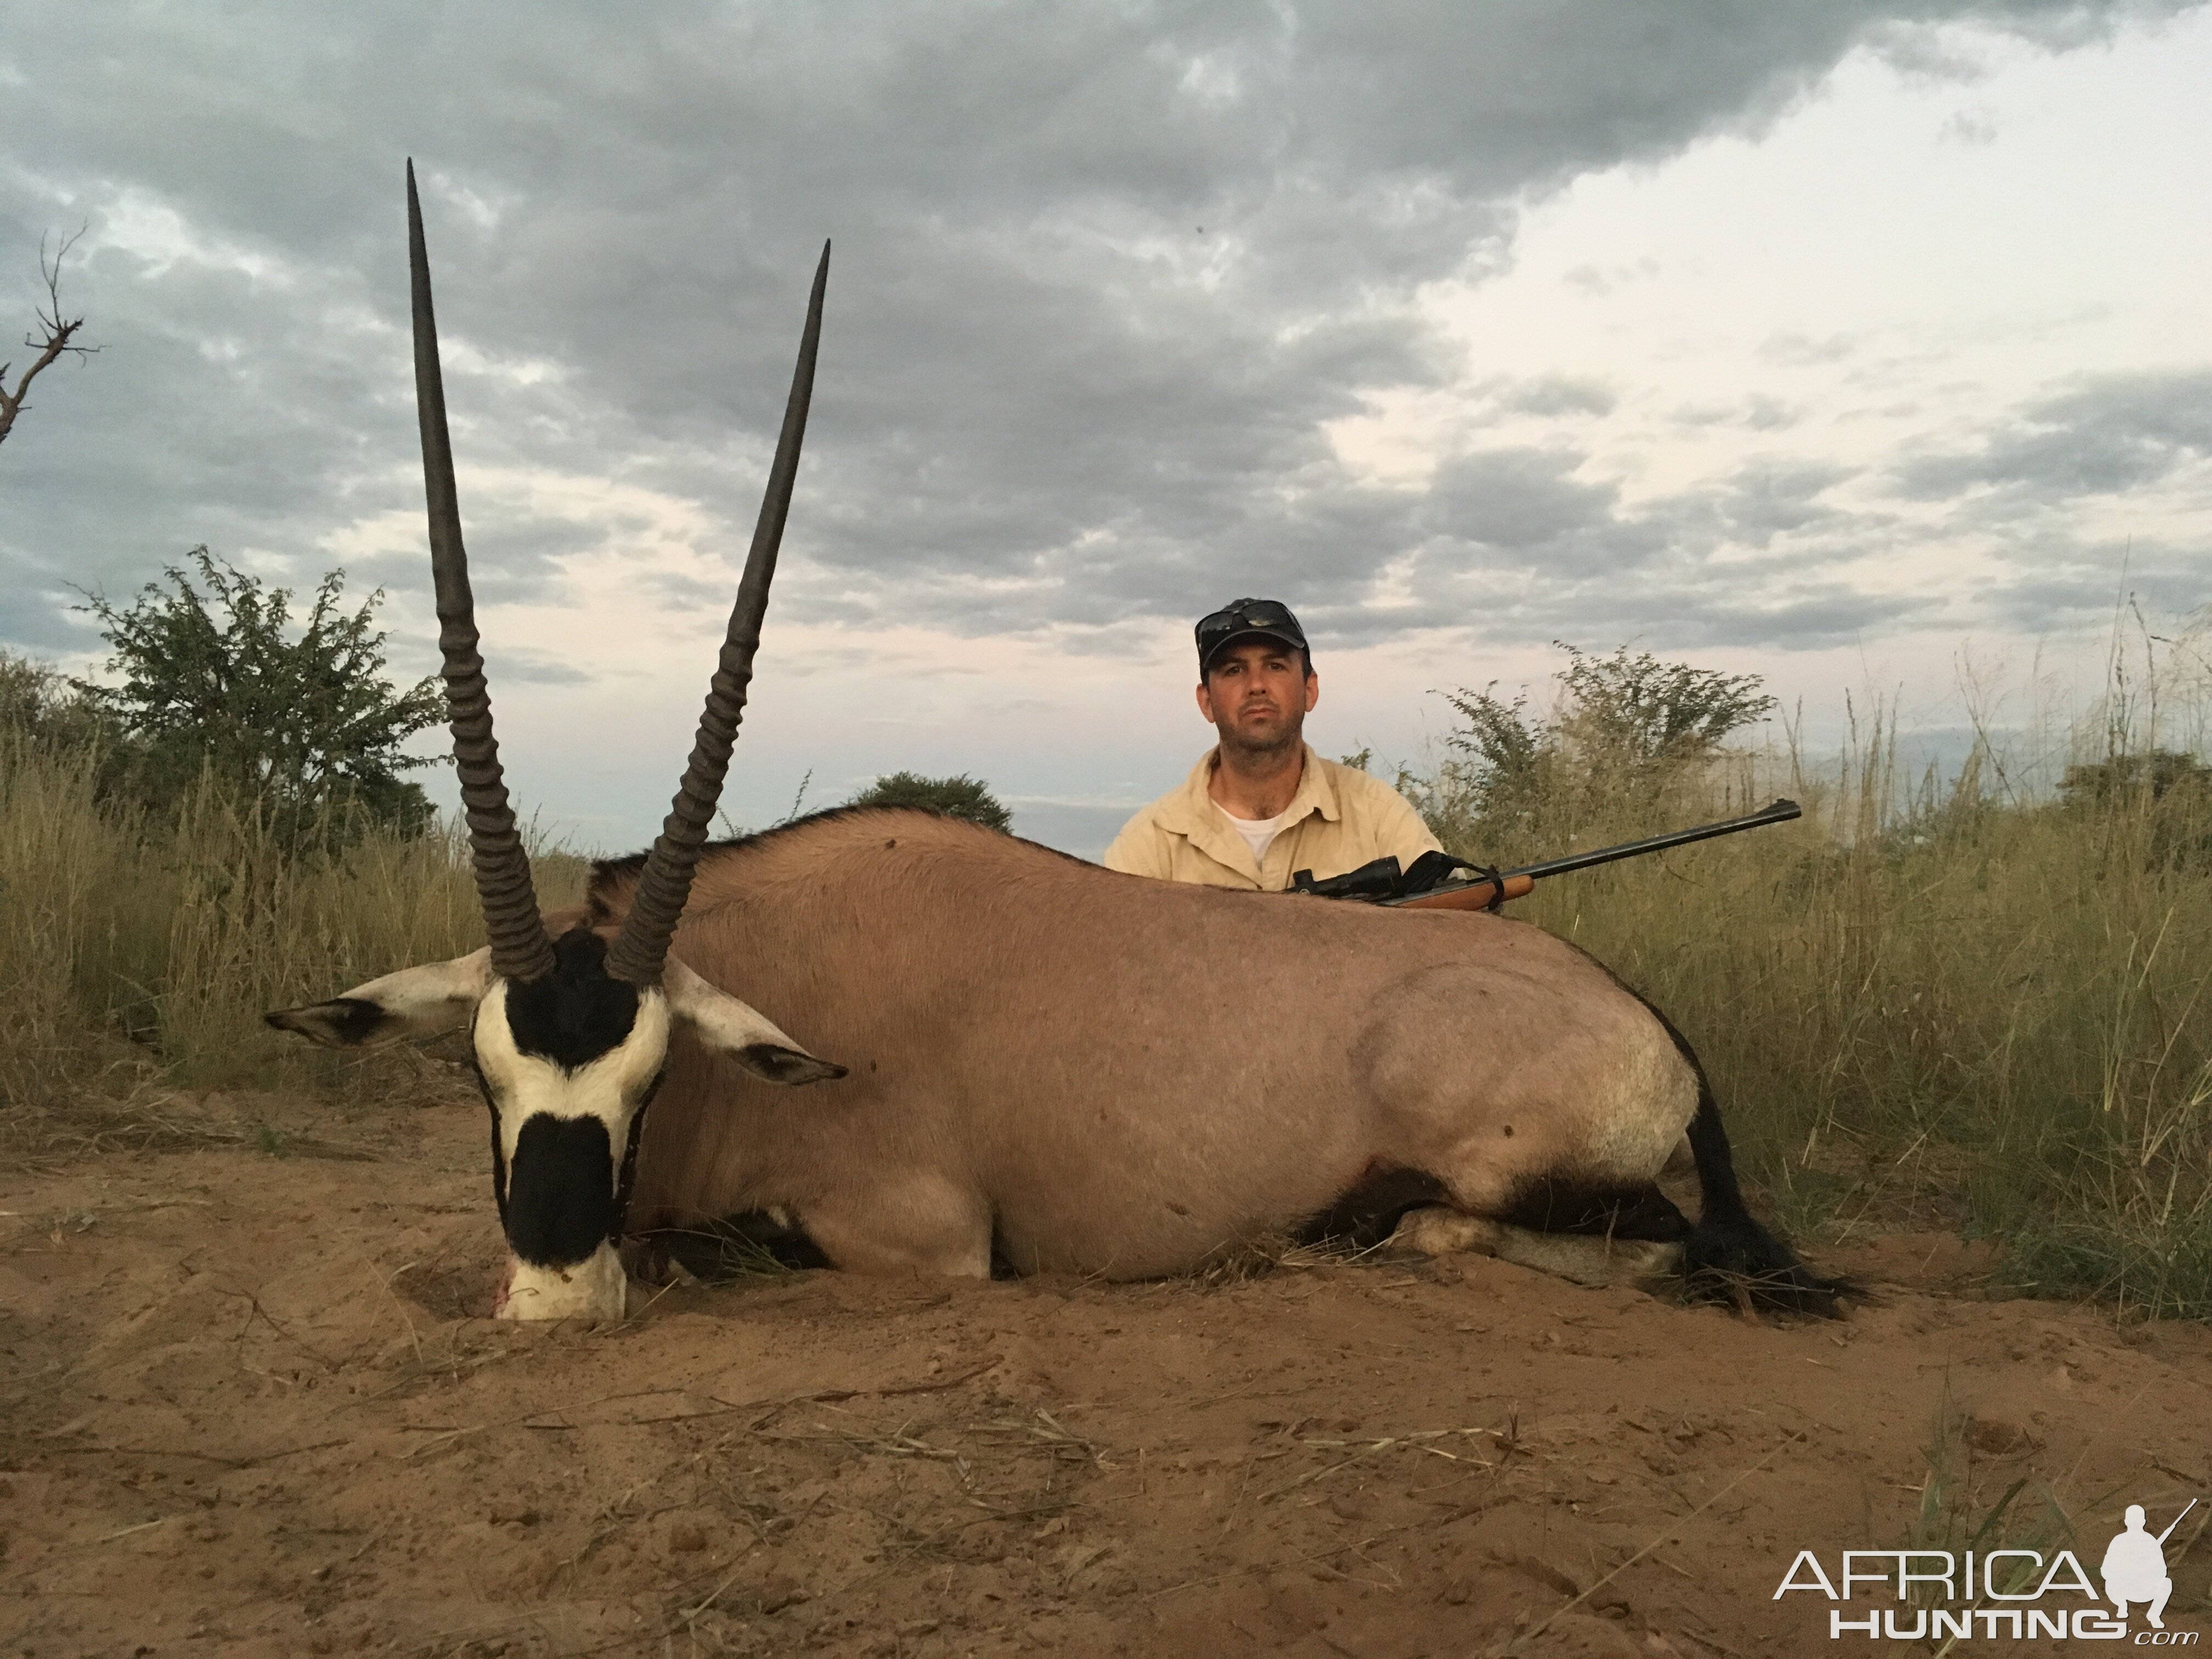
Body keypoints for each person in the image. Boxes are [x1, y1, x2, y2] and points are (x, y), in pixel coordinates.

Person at [1103, 597, 1442, 890]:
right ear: (1206, 701)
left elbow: (1454, 927)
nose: (1256, 685)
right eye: (1234, 670)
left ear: (1310, 690)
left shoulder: (1377, 816)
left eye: (1275, 666)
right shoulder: (1148, 847)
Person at [2100, 1505, 2173, 1629]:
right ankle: (2122, 1605)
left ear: (2126, 1522)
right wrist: (2125, 1573)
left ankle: (2154, 1614)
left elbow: (2162, 1572)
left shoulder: (2150, 1542)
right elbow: (2106, 1571)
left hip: (2145, 1590)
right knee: (2110, 1583)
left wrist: (2146, 1572)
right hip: (2122, 1590)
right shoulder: (2119, 1541)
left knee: (2166, 1583)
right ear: (2143, 1522)